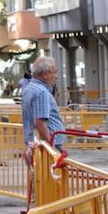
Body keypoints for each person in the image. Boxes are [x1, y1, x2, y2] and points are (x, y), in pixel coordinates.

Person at [21, 56, 66, 203]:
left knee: (42, 181)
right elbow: (40, 122)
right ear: (45, 74)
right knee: (52, 184)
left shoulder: (30, 88)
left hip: (38, 143)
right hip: (48, 144)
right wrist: (51, 148)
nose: (57, 76)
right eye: (54, 72)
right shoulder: (41, 92)